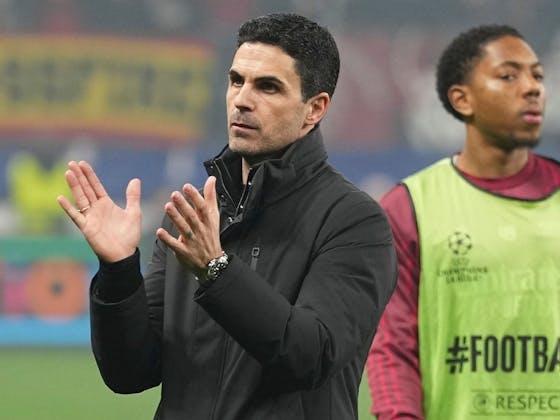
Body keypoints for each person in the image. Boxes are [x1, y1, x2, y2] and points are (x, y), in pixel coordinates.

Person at [57, 13, 397, 420]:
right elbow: (130, 373)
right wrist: (119, 271)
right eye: (237, 81)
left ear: (315, 109)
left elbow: (312, 356)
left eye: (268, 87)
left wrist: (217, 271)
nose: (242, 100)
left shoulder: (354, 222)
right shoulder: (191, 215)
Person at [367, 24, 560, 420]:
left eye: (538, 76)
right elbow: (393, 345)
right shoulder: (410, 206)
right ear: (462, 99)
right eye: (508, 76)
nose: (532, 88)